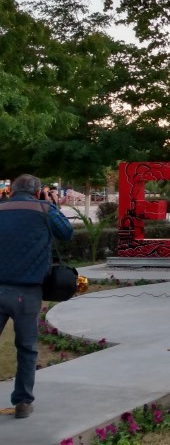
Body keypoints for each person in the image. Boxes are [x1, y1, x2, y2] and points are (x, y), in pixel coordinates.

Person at [0, 174, 73, 419]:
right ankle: (22, 402)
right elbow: (67, 233)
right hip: (28, 291)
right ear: (38, 191)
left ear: (11, 190)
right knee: (27, 348)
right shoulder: (44, 208)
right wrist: (50, 202)